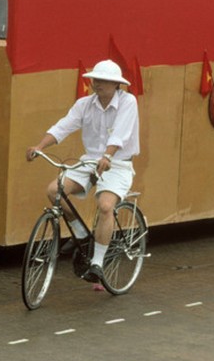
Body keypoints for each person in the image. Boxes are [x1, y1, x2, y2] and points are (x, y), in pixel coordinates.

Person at [24, 59, 140, 283]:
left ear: (117, 84)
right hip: (90, 161)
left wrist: (108, 155)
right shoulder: (84, 104)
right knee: (54, 190)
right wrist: (39, 146)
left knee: (105, 206)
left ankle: (97, 262)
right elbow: (63, 126)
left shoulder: (128, 102)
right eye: (95, 79)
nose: (98, 84)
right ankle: (81, 234)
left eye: (104, 81)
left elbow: (121, 133)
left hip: (117, 162)